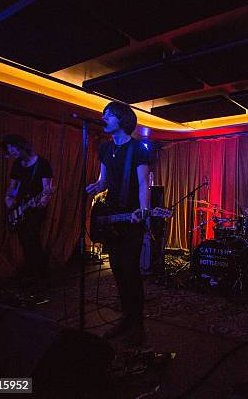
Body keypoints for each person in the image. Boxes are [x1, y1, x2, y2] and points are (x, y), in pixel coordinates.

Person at [86, 101, 151, 346]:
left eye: (108, 114)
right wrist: (96, 185)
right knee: (117, 271)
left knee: (130, 271)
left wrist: (144, 211)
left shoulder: (138, 149)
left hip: (131, 217)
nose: (103, 117)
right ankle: (126, 317)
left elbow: (144, 183)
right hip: (110, 217)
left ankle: (138, 324)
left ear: (121, 119)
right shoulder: (104, 149)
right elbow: (104, 180)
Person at [2, 134, 54, 286]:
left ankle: (39, 274)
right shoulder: (17, 164)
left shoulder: (42, 164)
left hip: (35, 207)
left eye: (14, 149)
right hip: (20, 207)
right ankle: (30, 271)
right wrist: (9, 199)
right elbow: (13, 188)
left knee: (32, 238)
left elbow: (47, 190)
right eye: (10, 151)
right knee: (24, 240)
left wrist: (41, 203)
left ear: (22, 146)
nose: (12, 153)